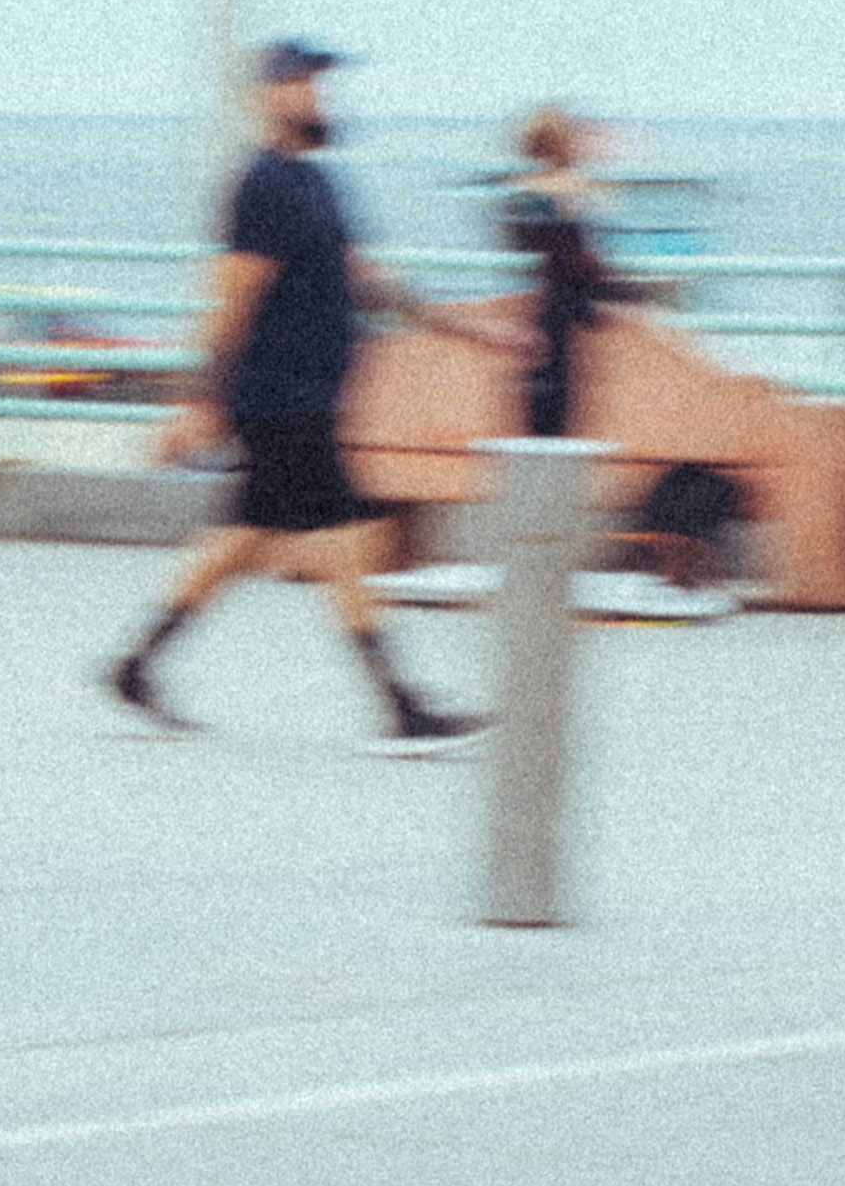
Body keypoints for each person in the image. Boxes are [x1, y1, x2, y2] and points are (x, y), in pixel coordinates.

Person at [102, 40, 505, 745]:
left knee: (242, 539)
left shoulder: (316, 183)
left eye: (323, 86)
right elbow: (231, 299)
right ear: (269, 95)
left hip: (312, 392)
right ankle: (401, 705)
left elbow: (367, 282)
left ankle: (137, 664)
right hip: (278, 397)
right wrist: (198, 399)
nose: (321, 99)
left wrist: (468, 328)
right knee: (345, 540)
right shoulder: (259, 184)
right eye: (307, 85)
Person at [498, 104, 639, 440]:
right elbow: (579, 257)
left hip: (544, 306)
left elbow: (519, 243)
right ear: (561, 142)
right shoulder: (573, 189)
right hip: (572, 308)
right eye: (573, 136)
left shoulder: (521, 191)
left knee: (542, 408)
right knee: (563, 409)